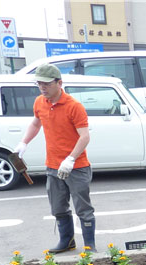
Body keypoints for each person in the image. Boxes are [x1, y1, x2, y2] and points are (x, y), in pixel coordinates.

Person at [15, 63, 94, 252]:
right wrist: (24, 143)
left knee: (83, 208)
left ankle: (90, 245)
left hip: (77, 167)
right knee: (58, 207)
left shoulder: (74, 106)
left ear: (59, 83)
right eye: (39, 84)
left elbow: (85, 136)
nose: (42, 88)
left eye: (47, 84)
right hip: (52, 165)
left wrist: (71, 159)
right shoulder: (39, 103)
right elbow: (36, 124)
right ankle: (67, 241)